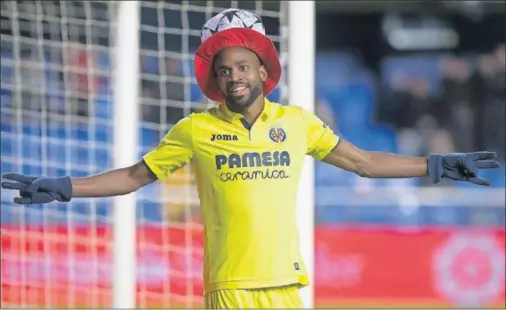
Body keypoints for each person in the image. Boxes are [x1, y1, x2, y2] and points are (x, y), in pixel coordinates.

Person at [1, 9, 501, 309]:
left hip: (288, 283)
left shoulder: (299, 123)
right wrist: (66, 186)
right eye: (223, 69)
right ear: (214, 79)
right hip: (232, 288)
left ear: (263, 70)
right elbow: (134, 177)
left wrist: (435, 165)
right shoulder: (195, 129)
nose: (233, 76)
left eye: (243, 65)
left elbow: (365, 162)